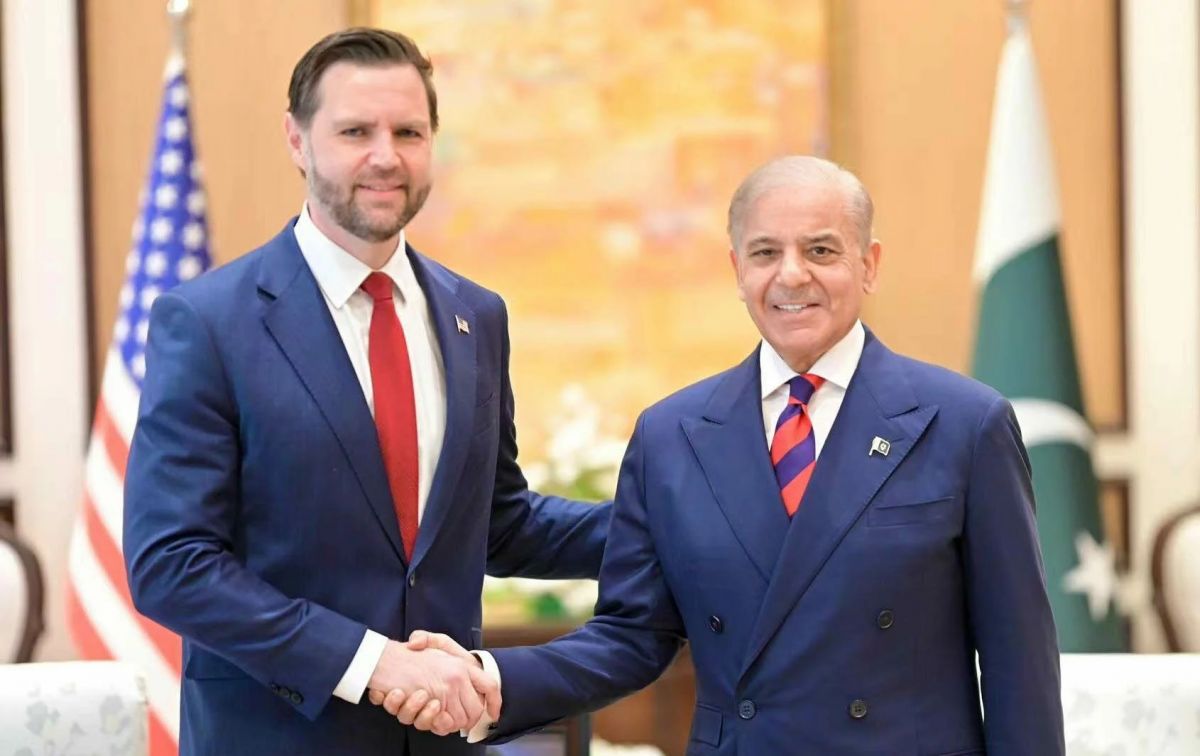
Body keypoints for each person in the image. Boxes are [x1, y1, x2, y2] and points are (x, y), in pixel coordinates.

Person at [389, 156, 1066, 754]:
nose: (792, 274)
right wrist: (491, 678)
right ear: (738, 270)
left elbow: (1019, 659)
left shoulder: (964, 424)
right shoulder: (672, 435)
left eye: (822, 250)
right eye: (766, 252)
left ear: (869, 264)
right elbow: (631, 636)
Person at [123, 27, 609, 756]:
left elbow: (499, 524)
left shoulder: (477, 316)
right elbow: (171, 564)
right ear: (297, 140)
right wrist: (372, 664)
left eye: (408, 132)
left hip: (444, 740)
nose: (386, 156)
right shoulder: (208, 322)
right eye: (356, 131)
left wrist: (675, 522)